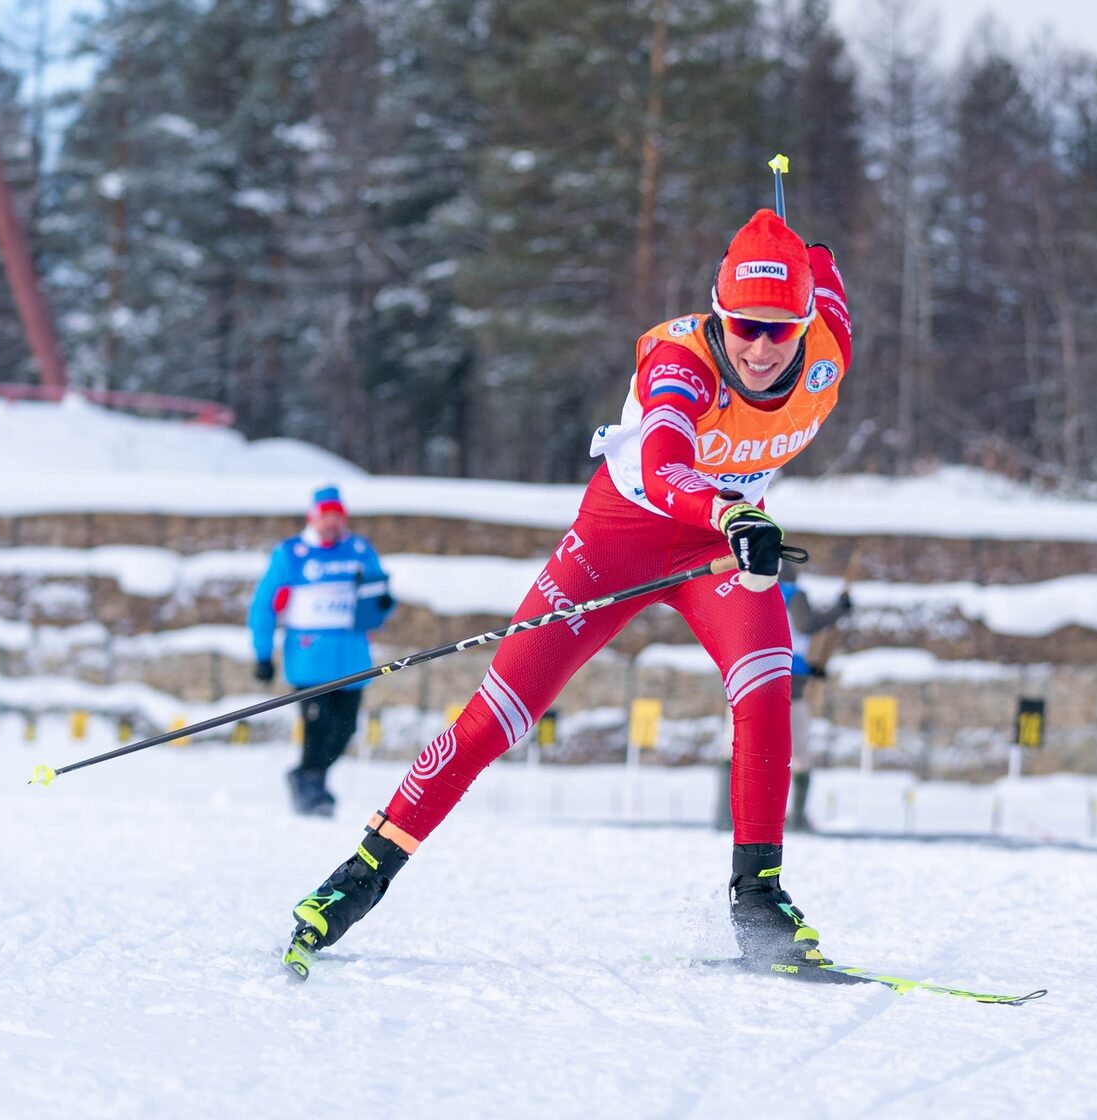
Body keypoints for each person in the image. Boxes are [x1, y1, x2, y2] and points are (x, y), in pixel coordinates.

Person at [284, 209, 853, 972]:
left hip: (719, 542)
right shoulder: (679, 363)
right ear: (719, 316)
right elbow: (664, 462)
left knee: (766, 685)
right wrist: (731, 512)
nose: (759, 347)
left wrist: (809, 250)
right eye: (744, 326)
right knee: (500, 714)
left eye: (778, 330)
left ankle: (760, 902)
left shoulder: (830, 346)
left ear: (808, 322)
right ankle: (357, 879)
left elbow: (824, 265)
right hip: (623, 536)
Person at [249, 485, 395, 817]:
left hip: (353, 659)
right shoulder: (292, 553)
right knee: (319, 726)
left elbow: (378, 595)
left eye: (337, 517)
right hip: (309, 660)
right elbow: (263, 604)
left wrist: (385, 603)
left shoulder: (359, 550)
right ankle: (311, 787)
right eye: (325, 517)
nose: (332, 523)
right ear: (313, 518)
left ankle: (308, 778)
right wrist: (262, 654)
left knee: (345, 729)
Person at [779, 560, 853, 829]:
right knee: (799, 750)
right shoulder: (792, 594)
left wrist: (812, 668)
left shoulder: (754, 592)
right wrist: (839, 610)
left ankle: (728, 815)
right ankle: (798, 818)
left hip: (753, 675)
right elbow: (805, 624)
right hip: (792, 681)